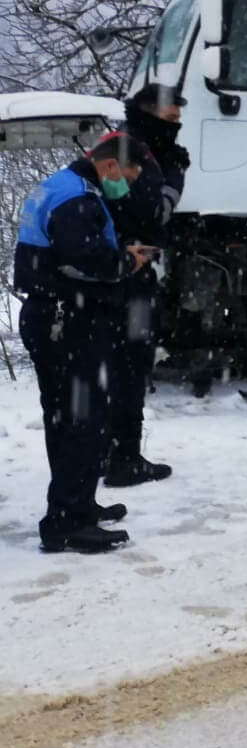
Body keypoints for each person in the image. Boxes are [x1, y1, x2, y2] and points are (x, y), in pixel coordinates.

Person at [14, 133, 157, 553]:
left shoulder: (62, 186)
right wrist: (128, 261)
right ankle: (65, 523)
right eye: (129, 176)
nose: (127, 185)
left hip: (59, 317)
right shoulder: (77, 197)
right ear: (111, 166)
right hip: (66, 320)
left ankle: (77, 506)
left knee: (73, 419)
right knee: (80, 419)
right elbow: (83, 259)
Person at [103, 83, 188, 485]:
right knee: (130, 367)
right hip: (125, 276)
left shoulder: (131, 148)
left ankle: (116, 454)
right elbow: (152, 212)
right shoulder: (125, 152)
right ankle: (123, 460)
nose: (177, 127)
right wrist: (174, 175)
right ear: (148, 113)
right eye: (171, 119)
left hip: (124, 273)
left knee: (125, 367)